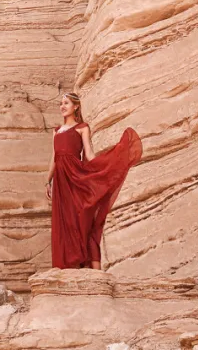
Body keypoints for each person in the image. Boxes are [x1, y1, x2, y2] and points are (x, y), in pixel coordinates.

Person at [45, 92, 141, 270]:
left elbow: (88, 154)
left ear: (76, 107)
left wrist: (101, 168)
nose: (62, 106)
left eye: (66, 103)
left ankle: (86, 265)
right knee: (64, 221)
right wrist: (47, 181)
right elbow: (54, 157)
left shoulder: (82, 128)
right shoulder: (56, 131)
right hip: (60, 180)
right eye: (61, 103)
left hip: (75, 176)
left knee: (79, 219)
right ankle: (68, 266)